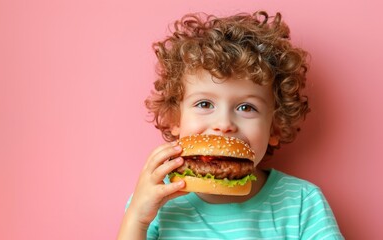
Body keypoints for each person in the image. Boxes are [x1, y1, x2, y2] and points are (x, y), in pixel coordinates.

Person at [118, 11, 343, 239]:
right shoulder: (154, 199)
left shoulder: (301, 202)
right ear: (175, 119)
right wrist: (137, 217)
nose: (224, 124)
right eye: (204, 103)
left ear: (274, 127)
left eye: (246, 108)